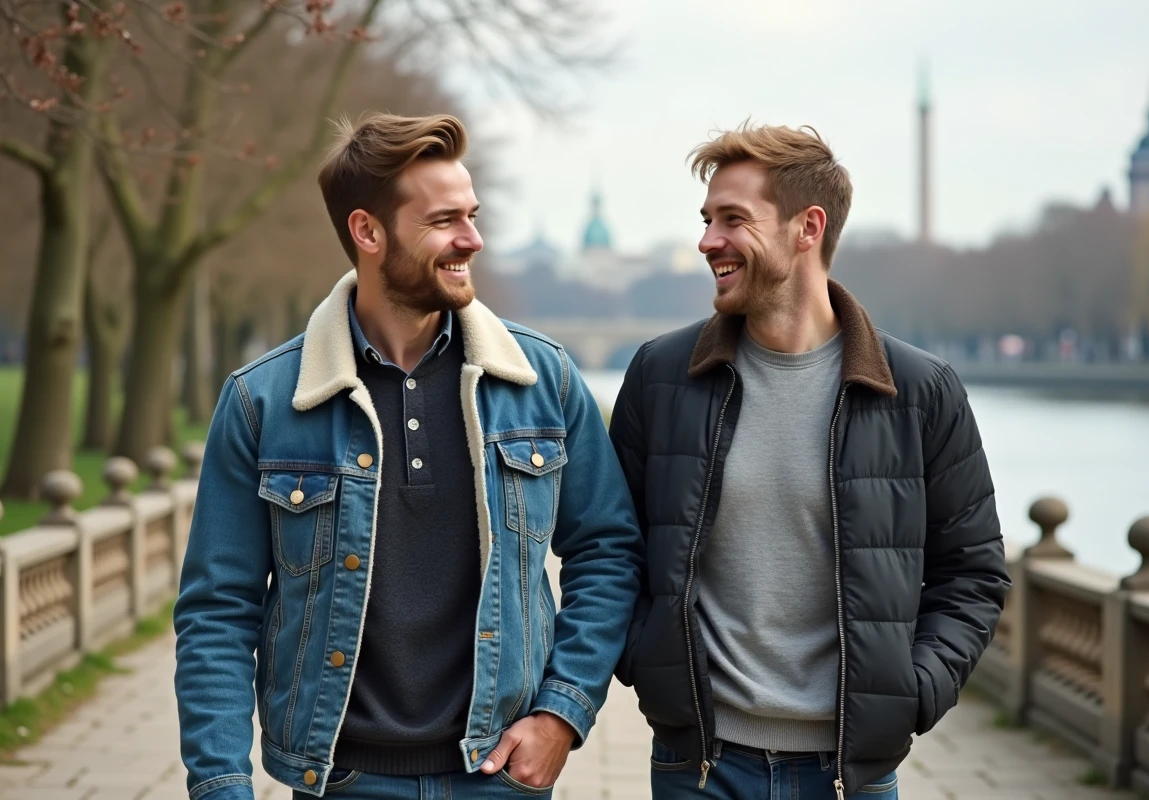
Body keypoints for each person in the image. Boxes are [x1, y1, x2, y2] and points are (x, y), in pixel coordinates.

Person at [174, 113, 643, 800]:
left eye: (473, 216)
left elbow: (607, 550)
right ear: (368, 232)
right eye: (445, 220)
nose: (473, 239)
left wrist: (560, 714)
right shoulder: (264, 400)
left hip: (500, 776)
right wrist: (220, 784)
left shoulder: (544, 380)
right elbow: (218, 611)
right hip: (342, 779)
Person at [608, 123, 1011, 800]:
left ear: (807, 227)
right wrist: (648, 663)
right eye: (706, 220)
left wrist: (910, 695)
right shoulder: (661, 375)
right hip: (698, 766)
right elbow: (611, 544)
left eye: (733, 220)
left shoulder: (919, 390)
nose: (708, 241)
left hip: (848, 774)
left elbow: (971, 572)